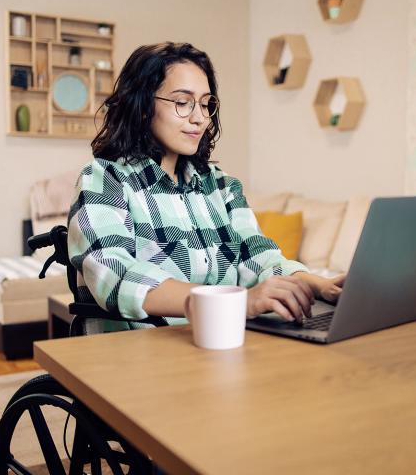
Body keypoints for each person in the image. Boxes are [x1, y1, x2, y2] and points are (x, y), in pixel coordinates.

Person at [68, 42, 344, 328]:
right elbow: (115, 275)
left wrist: (320, 286)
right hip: (138, 356)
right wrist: (235, 302)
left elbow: (258, 258)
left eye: (205, 103)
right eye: (182, 102)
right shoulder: (104, 178)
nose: (199, 118)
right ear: (142, 106)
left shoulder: (222, 186)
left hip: (216, 343)